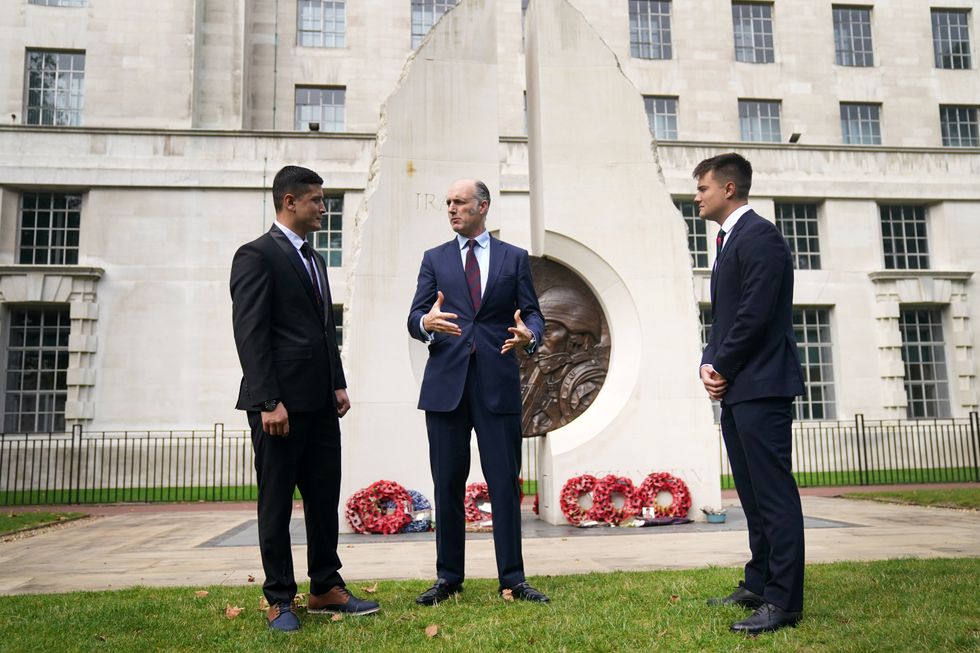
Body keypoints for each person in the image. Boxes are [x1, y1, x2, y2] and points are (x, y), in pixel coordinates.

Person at [230, 165, 379, 632]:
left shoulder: (313, 258)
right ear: (289, 201)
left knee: (322, 497)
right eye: (316, 199)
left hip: (320, 404)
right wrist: (267, 400)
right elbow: (250, 334)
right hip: (280, 408)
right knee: (275, 502)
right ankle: (279, 599)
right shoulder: (255, 255)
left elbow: (322, 330)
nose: (323, 207)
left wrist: (337, 381)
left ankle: (325, 588)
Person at [407, 178, 549, 605]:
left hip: (497, 385)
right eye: (448, 202)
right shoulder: (434, 259)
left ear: (482, 206)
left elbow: (535, 316)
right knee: (446, 482)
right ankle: (448, 578)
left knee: (504, 483)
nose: (452, 209)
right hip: (445, 388)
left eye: (460, 202)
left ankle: (513, 578)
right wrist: (423, 325)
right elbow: (415, 315)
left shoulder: (514, 259)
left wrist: (531, 336)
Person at [694, 153, 806, 634]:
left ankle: (783, 601)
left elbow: (755, 316)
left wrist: (722, 363)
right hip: (739, 387)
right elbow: (725, 318)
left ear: (730, 189)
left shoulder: (761, 238)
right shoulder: (729, 240)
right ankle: (759, 583)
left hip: (763, 386)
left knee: (774, 495)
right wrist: (707, 362)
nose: (697, 196)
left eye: (702, 188)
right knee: (752, 494)